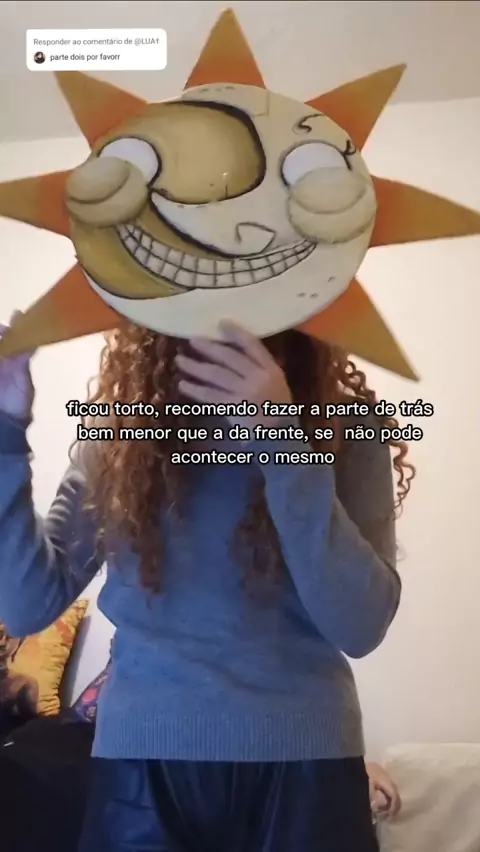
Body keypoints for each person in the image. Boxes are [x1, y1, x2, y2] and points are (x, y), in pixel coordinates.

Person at [0, 314, 413, 852]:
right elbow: (29, 604)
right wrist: (5, 430)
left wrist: (280, 440)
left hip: (306, 764)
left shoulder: (350, 427)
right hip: (141, 765)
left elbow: (361, 625)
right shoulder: (123, 436)